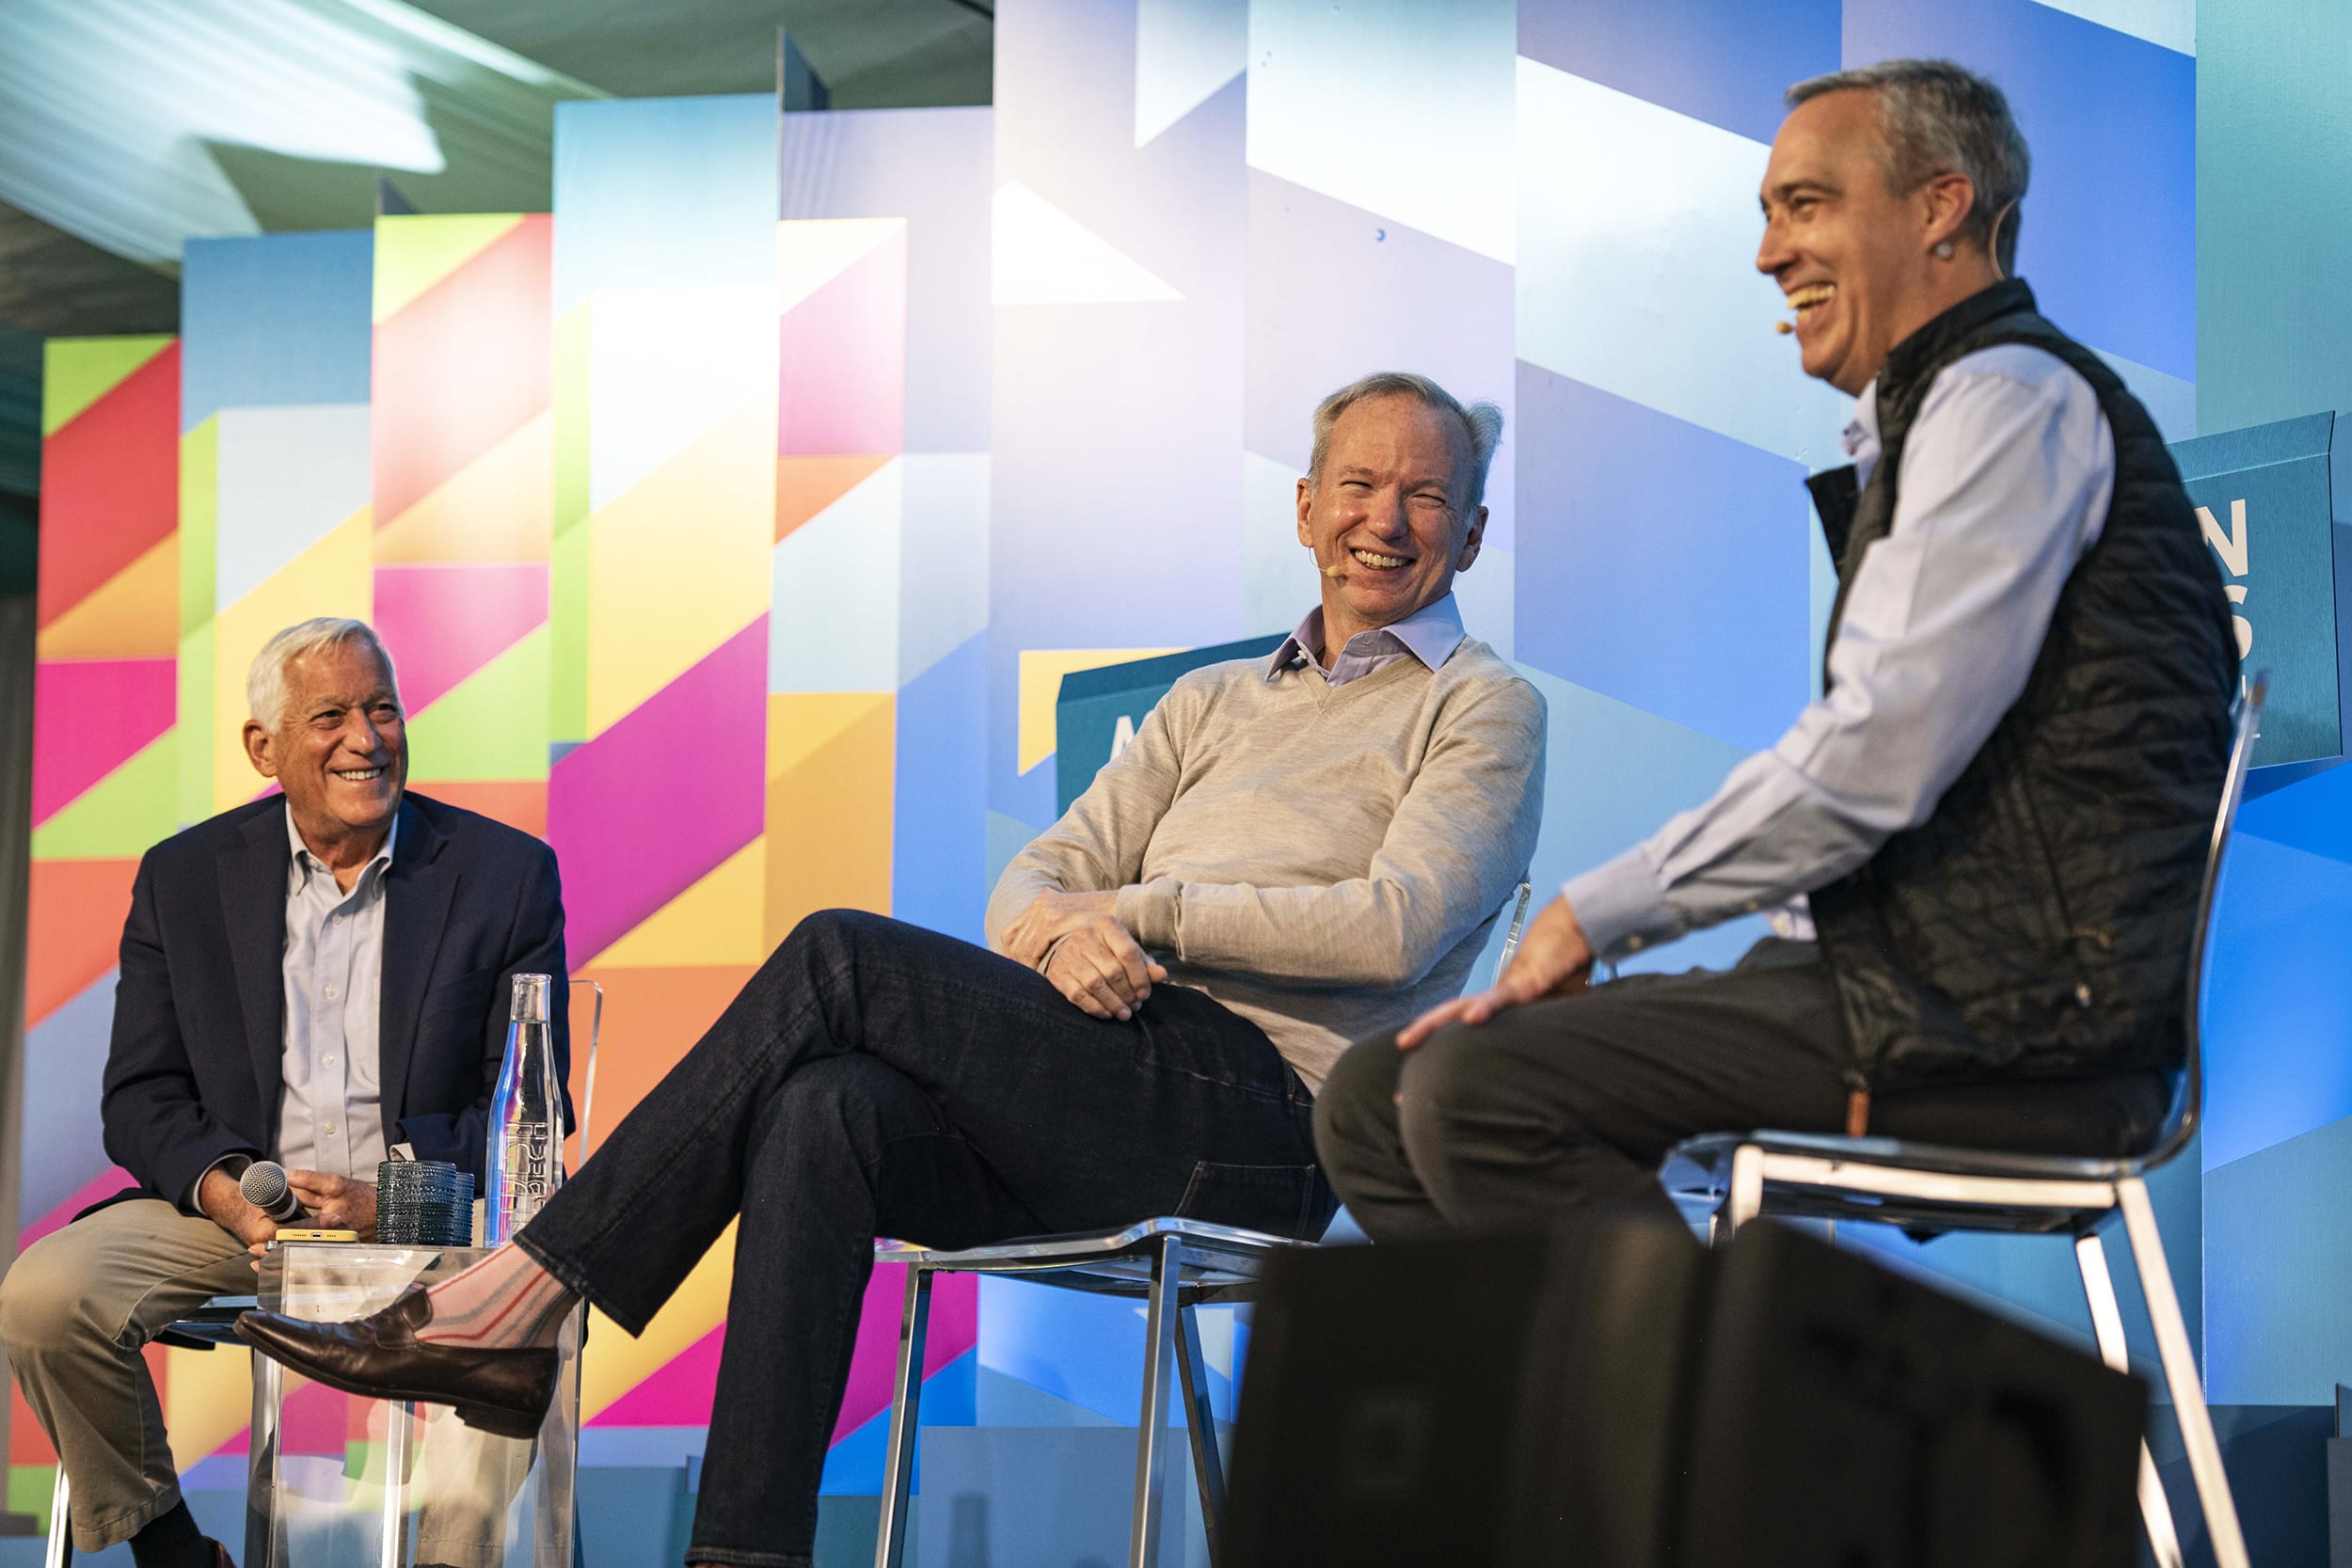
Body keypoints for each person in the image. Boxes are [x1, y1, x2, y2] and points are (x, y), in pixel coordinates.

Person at [232, 372, 1546, 1568]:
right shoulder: (1211, 701)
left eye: (1426, 495)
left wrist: (1142, 911)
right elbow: (1032, 880)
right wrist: (1061, 931)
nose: (1386, 519)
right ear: (1307, 507)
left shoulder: (1483, 704)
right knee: (826, 1108)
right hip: (1117, 1080)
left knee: (838, 954)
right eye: (1359, 485)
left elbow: (1394, 924)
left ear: (1473, 533)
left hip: (1271, 1118)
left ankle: (525, 1296)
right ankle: (742, 1553)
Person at [1313, 60, 2237, 1240]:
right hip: (1903, 980)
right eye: (1766, 214)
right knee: (1372, 1102)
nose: (1766, 252)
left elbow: (1877, 753)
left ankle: (1731, 1368)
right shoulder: (1939, 417)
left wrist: (1592, 915)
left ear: (1939, 207)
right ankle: (1622, 1367)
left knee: (1469, 1090)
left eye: (1805, 204)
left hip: (2024, 1028)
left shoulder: (2006, 399)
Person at [0, 618, 567, 1568]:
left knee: (522, 1313)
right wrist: (226, 1189)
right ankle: (173, 1551)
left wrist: (391, 1197)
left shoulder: (504, 874)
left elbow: (531, 1112)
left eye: (383, 709)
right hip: (243, 1216)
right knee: (44, 1295)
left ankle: (447, 1562)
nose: (366, 738)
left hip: (426, 1221)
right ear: (264, 748)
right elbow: (140, 1095)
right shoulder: (184, 877)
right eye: (330, 716)